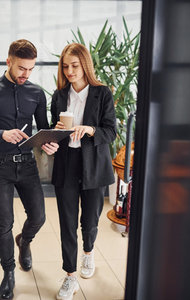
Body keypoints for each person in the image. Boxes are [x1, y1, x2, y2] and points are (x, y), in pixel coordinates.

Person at [0, 39, 58, 300]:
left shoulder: (37, 93)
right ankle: (8, 274)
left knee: (39, 217)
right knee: (4, 224)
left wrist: (50, 143)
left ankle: (25, 241)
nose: (25, 74)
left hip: (28, 165)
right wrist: (1, 134)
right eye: (21, 68)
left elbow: (43, 129)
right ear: (9, 61)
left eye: (30, 69)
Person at [50, 43, 116, 300]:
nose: (69, 71)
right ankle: (70, 276)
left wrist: (90, 130)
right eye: (65, 66)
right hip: (67, 164)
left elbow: (111, 131)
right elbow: (54, 134)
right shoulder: (58, 96)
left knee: (89, 221)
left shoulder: (102, 93)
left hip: (94, 165)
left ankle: (88, 253)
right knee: (67, 224)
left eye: (74, 66)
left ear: (85, 65)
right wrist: (54, 134)